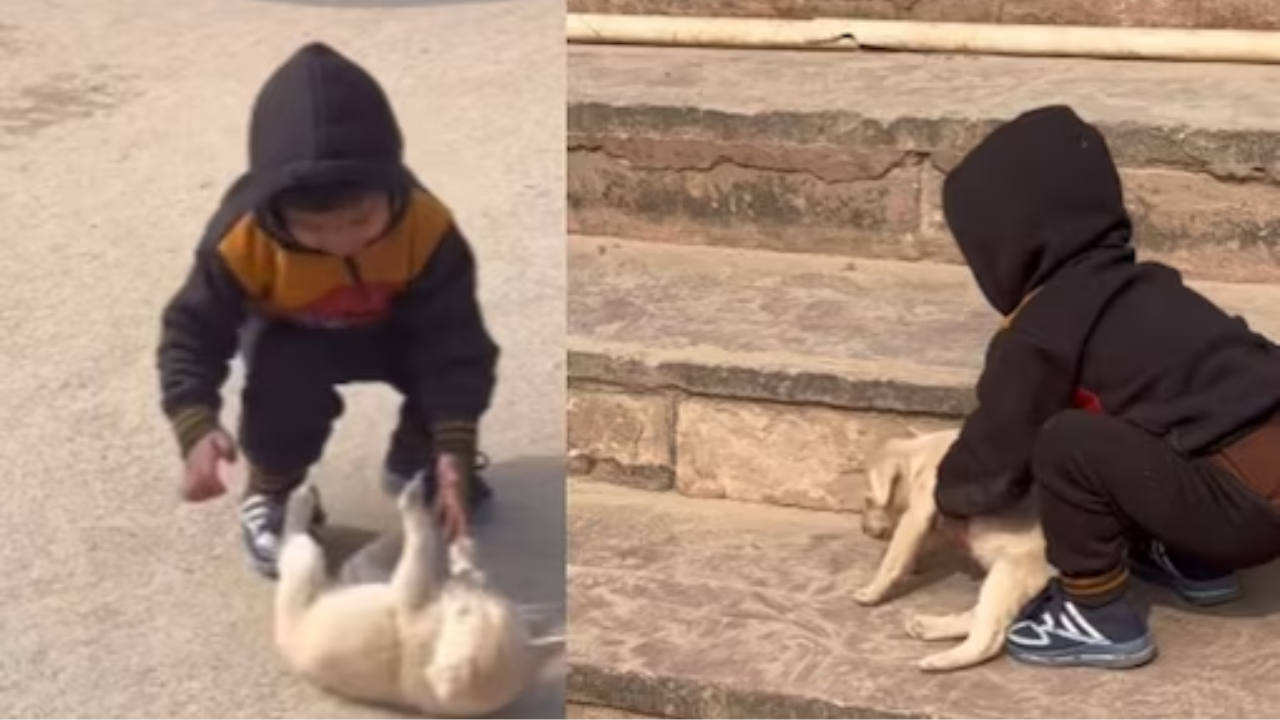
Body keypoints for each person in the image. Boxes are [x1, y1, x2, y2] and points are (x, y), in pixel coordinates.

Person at [933, 104, 1280, 669]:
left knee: (1069, 442)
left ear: (1004, 244)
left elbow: (1000, 443)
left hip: (1241, 516)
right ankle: (1195, 562)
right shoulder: (1153, 289)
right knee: (1148, 419)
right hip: (1250, 486)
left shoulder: (1041, 331)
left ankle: (1096, 616)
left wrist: (951, 497)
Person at [157, 42, 500, 579]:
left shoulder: (427, 228)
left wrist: (454, 446)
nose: (339, 242)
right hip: (295, 335)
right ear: (273, 209)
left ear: (391, 188)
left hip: (398, 329)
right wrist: (195, 424)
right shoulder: (240, 239)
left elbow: (456, 342)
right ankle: (274, 493)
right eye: (312, 228)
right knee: (283, 388)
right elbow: (190, 334)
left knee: (448, 372)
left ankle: (420, 461)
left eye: (359, 220)